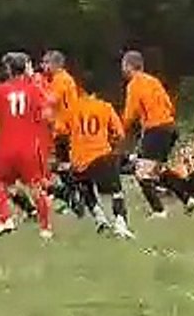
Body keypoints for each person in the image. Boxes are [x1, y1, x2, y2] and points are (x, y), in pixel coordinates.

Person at [0, 53, 55, 239]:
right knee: (37, 188)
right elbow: (48, 116)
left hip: (6, 147)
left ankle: (5, 219)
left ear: (8, 69)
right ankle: (45, 229)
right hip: (29, 148)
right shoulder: (34, 89)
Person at [121, 50, 194, 218]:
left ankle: (159, 211)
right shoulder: (153, 81)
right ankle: (187, 199)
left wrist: (119, 132)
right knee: (157, 171)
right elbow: (169, 105)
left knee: (141, 173)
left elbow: (129, 114)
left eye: (124, 66)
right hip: (169, 126)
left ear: (129, 66)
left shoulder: (134, 84)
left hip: (156, 129)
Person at [56, 91, 135, 239]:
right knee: (116, 191)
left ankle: (100, 218)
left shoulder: (71, 109)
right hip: (101, 155)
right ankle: (120, 223)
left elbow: (60, 132)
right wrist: (109, 142)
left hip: (79, 160)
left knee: (85, 187)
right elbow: (119, 133)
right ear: (95, 93)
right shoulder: (105, 107)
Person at [41, 50, 83, 215]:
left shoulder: (61, 79)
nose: (44, 66)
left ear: (56, 64)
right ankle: (72, 196)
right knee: (61, 164)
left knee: (62, 165)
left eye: (46, 63)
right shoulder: (60, 79)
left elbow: (51, 100)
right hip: (62, 128)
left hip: (66, 128)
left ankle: (75, 197)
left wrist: (35, 89)